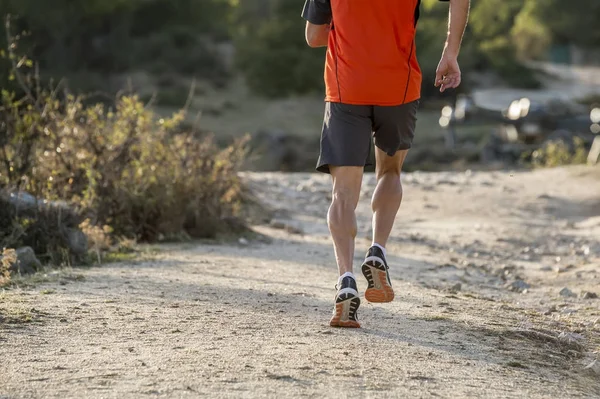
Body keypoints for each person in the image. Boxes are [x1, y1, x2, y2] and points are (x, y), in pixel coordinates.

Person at [302, 0, 470, 328]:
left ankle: (346, 280)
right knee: (390, 172)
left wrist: (350, 31)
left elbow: (312, 36)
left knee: (343, 194)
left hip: (346, 87)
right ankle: (377, 250)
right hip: (399, 85)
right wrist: (450, 52)